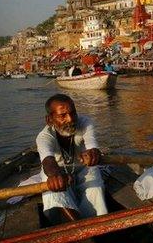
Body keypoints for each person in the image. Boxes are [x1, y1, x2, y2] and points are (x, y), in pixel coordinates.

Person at [36, 94, 108, 224]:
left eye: (73, 113)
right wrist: (55, 174)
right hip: (58, 171)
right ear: (49, 120)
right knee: (51, 184)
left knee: (95, 182)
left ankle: (96, 223)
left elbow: (92, 144)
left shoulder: (85, 123)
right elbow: (47, 161)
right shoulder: (43, 137)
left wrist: (93, 154)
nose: (70, 119)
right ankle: (75, 228)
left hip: (82, 169)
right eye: (62, 116)